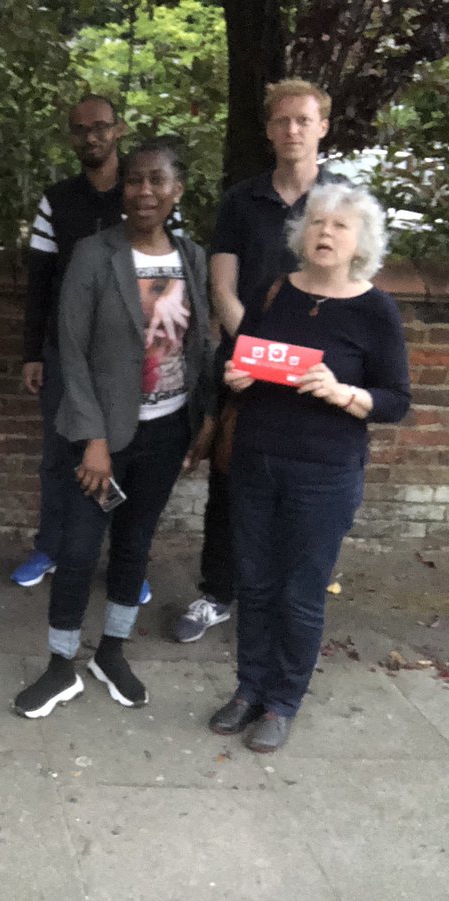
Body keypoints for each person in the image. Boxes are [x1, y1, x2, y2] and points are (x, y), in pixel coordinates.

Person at [14, 140, 214, 719]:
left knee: (134, 545)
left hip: (167, 430)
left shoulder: (192, 258)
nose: (143, 191)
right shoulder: (93, 255)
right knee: (77, 549)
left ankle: (113, 653)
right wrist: (94, 439)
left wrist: (203, 421)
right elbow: (70, 351)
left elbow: (201, 346)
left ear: (177, 190)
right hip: (100, 436)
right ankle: (60, 665)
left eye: (157, 181)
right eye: (133, 180)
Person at [207, 183, 410, 752]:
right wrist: (235, 376)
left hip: (325, 472)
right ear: (300, 234)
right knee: (255, 582)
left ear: (360, 242)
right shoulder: (275, 293)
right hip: (256, 460)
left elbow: (396, 400)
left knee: (301, 592)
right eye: (317, 222)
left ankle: (282, 701)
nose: (325, 232)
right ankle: (248, 689)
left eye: (340, 226)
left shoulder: (375, 309)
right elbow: (238, 357)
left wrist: (344, 392)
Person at [175, 78, 346, 643]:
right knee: (230, 482)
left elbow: (355, 287)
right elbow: (221, 286)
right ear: (269, 129)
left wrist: (299, 361)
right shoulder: (241, 200)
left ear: (323, 126)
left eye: (303, 119)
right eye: (281, 121)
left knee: (298, 491)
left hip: (318, 373)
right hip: (246, 370)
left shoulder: (344, 200)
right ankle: (216, 594)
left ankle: (278, 599)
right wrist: (263, 353)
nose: (292, 130)